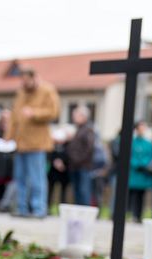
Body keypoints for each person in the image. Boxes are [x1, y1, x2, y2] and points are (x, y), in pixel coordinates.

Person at [8, 67, 60, 218]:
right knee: (20, 178)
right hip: (20, 142)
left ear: (35, 77)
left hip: (37, 143)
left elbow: (54, 112)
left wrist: (34, 113)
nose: (23, 83)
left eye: (26, 80)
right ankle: (21, 208)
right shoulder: (21, 92)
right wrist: (9, 135)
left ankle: (39, 209)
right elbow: (14, 116)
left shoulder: (47, 90)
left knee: (37, 178)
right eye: (21, 80)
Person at [66, 106, 96, 205]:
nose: (74, 117)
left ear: (84, 117)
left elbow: (89, 149)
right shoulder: (77, 130)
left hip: (83, 166)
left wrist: (77, 159)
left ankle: (85, 213)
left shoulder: (88, 130)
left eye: (77, 115)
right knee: (77, 192)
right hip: (75, 166)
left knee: (84, 191)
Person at [128, 121, 152, 223]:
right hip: (134, 173)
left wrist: (144, 164)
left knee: (141, 196)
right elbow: (130, 155)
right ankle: (132, 214)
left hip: (143, 174)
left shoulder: (148, 144)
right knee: (132, 195)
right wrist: (136, 164)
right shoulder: (132, 142)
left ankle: (138, 215)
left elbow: (150, 156)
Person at [47, 128, 70, 207]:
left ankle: (62, 208)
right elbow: (48, 155)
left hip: (64, 172)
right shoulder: (51, 146)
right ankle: (48, 207)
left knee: (63, 192)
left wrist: (63, 163)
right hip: (52, 172)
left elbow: (70, 156)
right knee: (50, 190)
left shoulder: (68, 146)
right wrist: (54, 162)